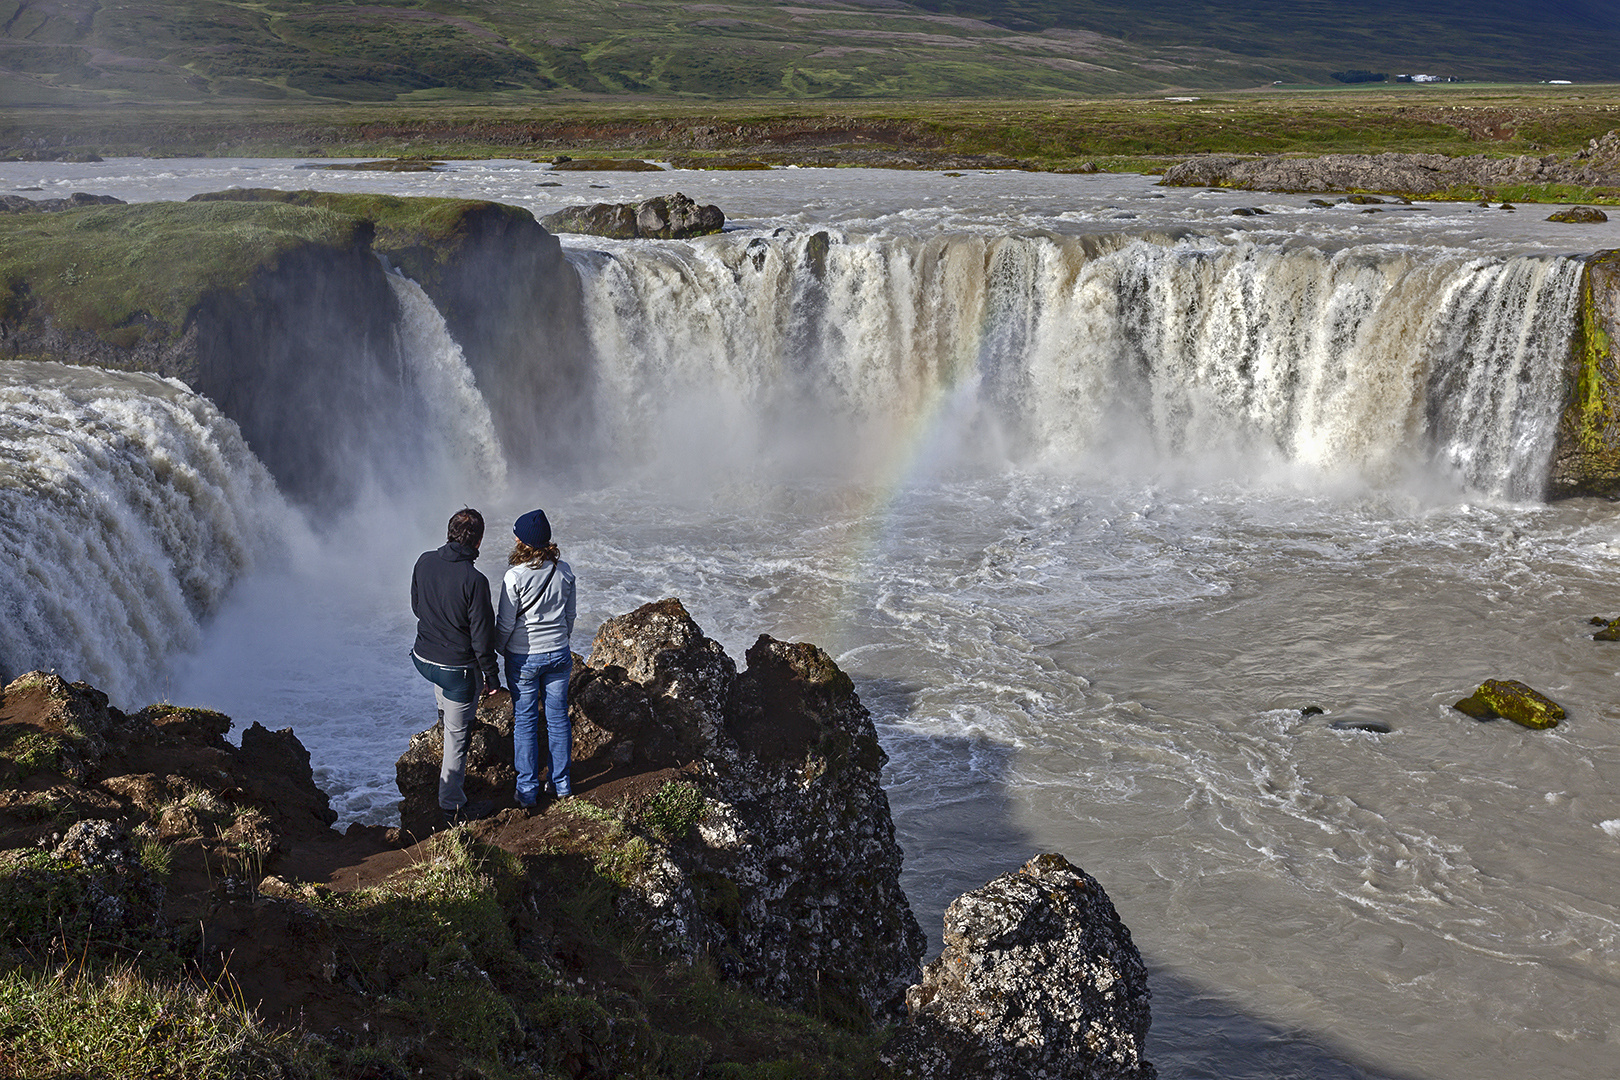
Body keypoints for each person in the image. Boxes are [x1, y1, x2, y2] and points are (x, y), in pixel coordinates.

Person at [410, 507, 502, 825]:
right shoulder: (474, 580)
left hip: (423, 659)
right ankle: (452, 806)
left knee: (447, 693)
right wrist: (492, 676)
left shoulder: (424, 561)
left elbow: (417, 606)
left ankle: (442, 715)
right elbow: (482, 637)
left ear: (449, 533)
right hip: (455, 670)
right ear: (478, 543)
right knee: (457, 737)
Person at [496, 508, 576, 809]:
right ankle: (562, 784)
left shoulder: (514, 576)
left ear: (523, 541)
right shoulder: (565, 570)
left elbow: (505, 622)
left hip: (524, 656)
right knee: (558, 719)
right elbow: (570, 616)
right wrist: (559, 642)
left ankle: (528, 791)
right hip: (558, 653)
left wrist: (500, 648)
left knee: (526, 722)